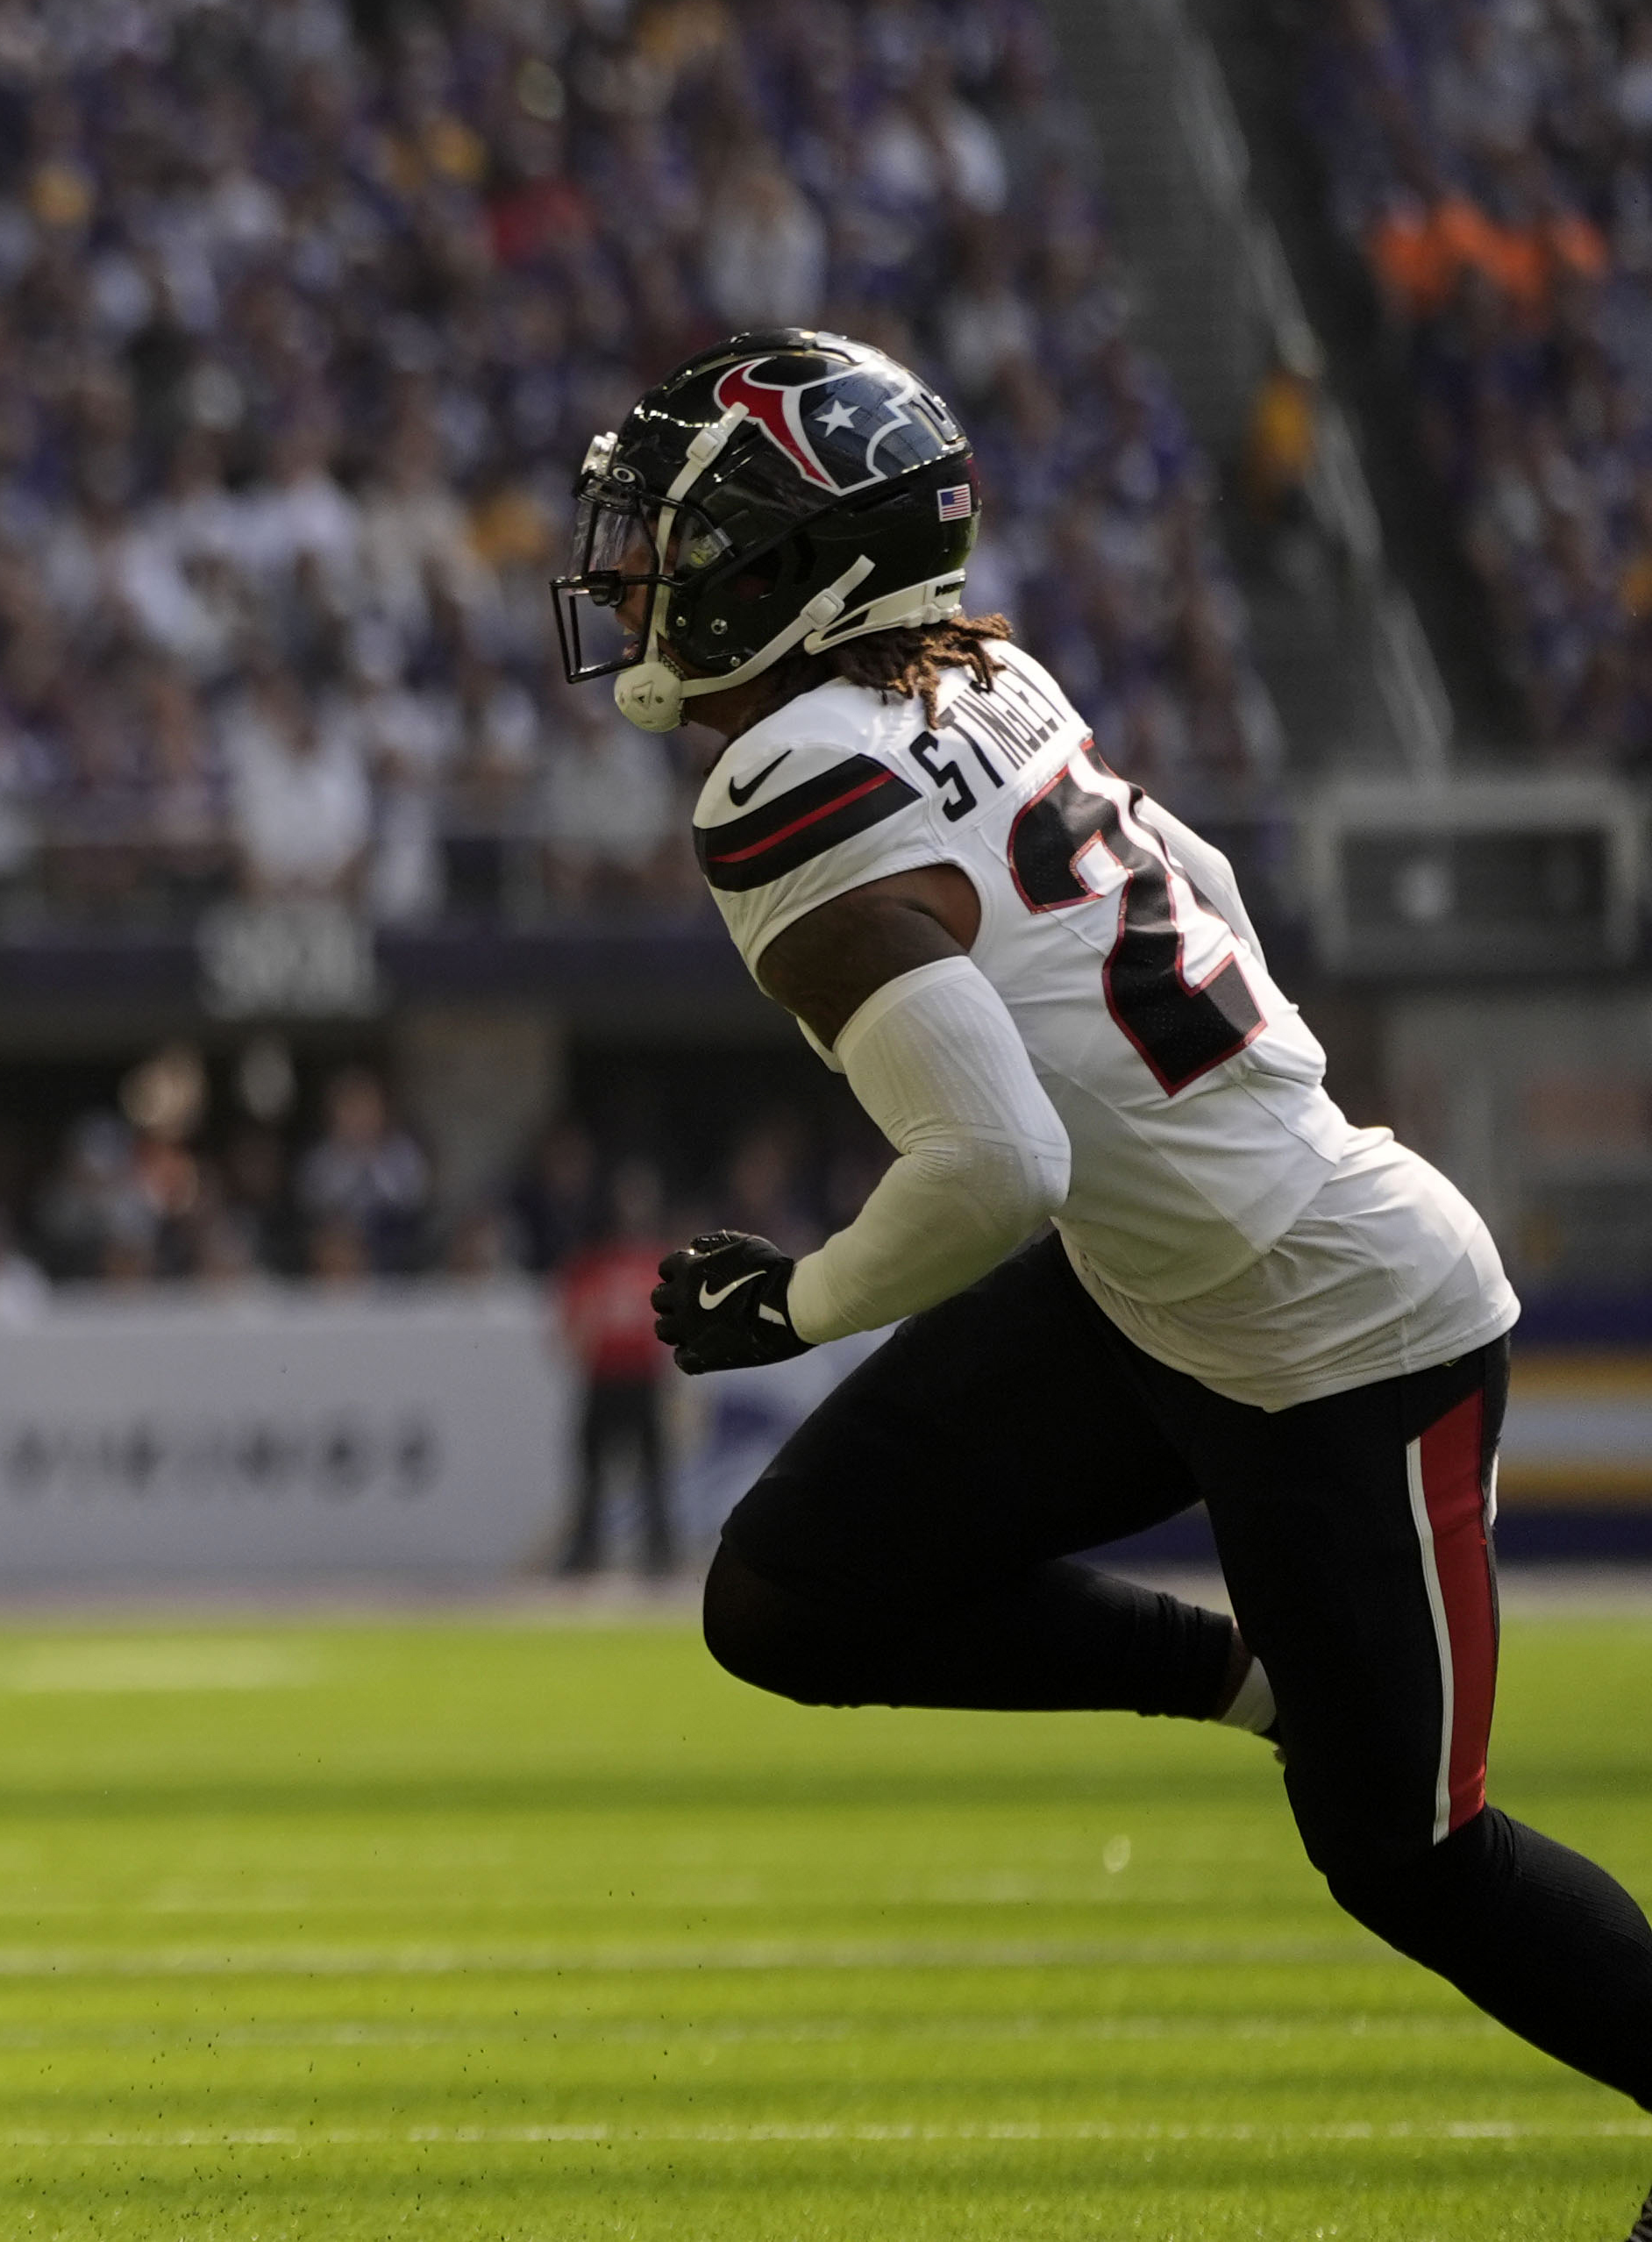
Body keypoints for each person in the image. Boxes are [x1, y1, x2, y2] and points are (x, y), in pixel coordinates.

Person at [550, 328, 1652, 2152]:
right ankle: (1255, 1679)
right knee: (786, 1595)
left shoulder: (786, 784)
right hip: (1175, 1277)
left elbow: (997, 1166)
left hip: (1334, 1327)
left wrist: (796, 1300)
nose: (628, 579)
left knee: (1410, 1858)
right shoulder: (979, 674)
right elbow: (1196, 885)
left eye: (674, 536)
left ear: (791, 565)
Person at [552, 1163, 674, 1578]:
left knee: (653, 1469)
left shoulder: (661, 1261)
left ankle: (659, 1550)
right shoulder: (591, 1265)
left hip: (643, 1379)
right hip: (603, 1379)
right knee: (591, 1471)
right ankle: (588, 1548)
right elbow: (571, 1328)